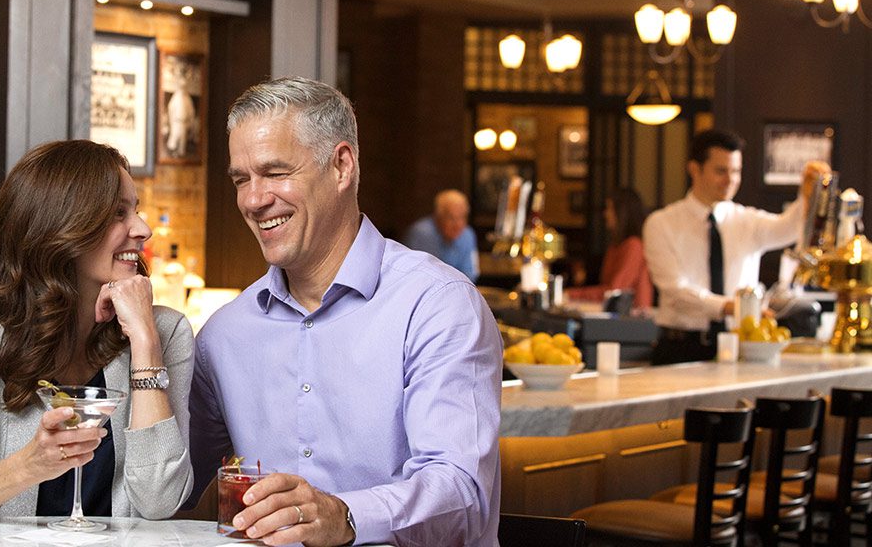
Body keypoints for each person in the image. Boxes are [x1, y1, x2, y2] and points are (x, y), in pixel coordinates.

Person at [189, 77, 501, 546]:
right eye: (241, 180)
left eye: (275, 173)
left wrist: (345, 516)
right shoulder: (223, 335)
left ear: (341, 166)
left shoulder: (437, 305)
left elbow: (461, 492)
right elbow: (168, 492)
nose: (254, 200)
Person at [0, 140, 194, 521]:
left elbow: (160, 500)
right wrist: (27, 466)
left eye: (136, 211)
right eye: (118, 214)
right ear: (63, 227)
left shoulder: (164, 332)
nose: (142, 229)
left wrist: (144, 342)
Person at [643, 129, 827, 365]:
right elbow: (675, 291)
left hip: (739, 345)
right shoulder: (661, 223)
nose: (730, 180)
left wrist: (807, 194)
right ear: (694, 169)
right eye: (721, 171)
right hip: (681, 347)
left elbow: (788, 229)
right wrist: (732, 307)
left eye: (736, 171)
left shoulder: (746, 221)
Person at [566, 187, 653, 311]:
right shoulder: (615, 246)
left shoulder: (634, 246)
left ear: (621, 212)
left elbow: (614, 292)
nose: (605, 214)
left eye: (609, 208)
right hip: (615, 316)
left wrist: (572, 294)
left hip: (632, 321)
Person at [404, 189, 480, 281]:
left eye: (462, 217)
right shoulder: (421, 234)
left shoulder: (467, 235)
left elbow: (470, 275)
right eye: (451, 218)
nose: (458, 225)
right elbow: (415, 276)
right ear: (438, 217)